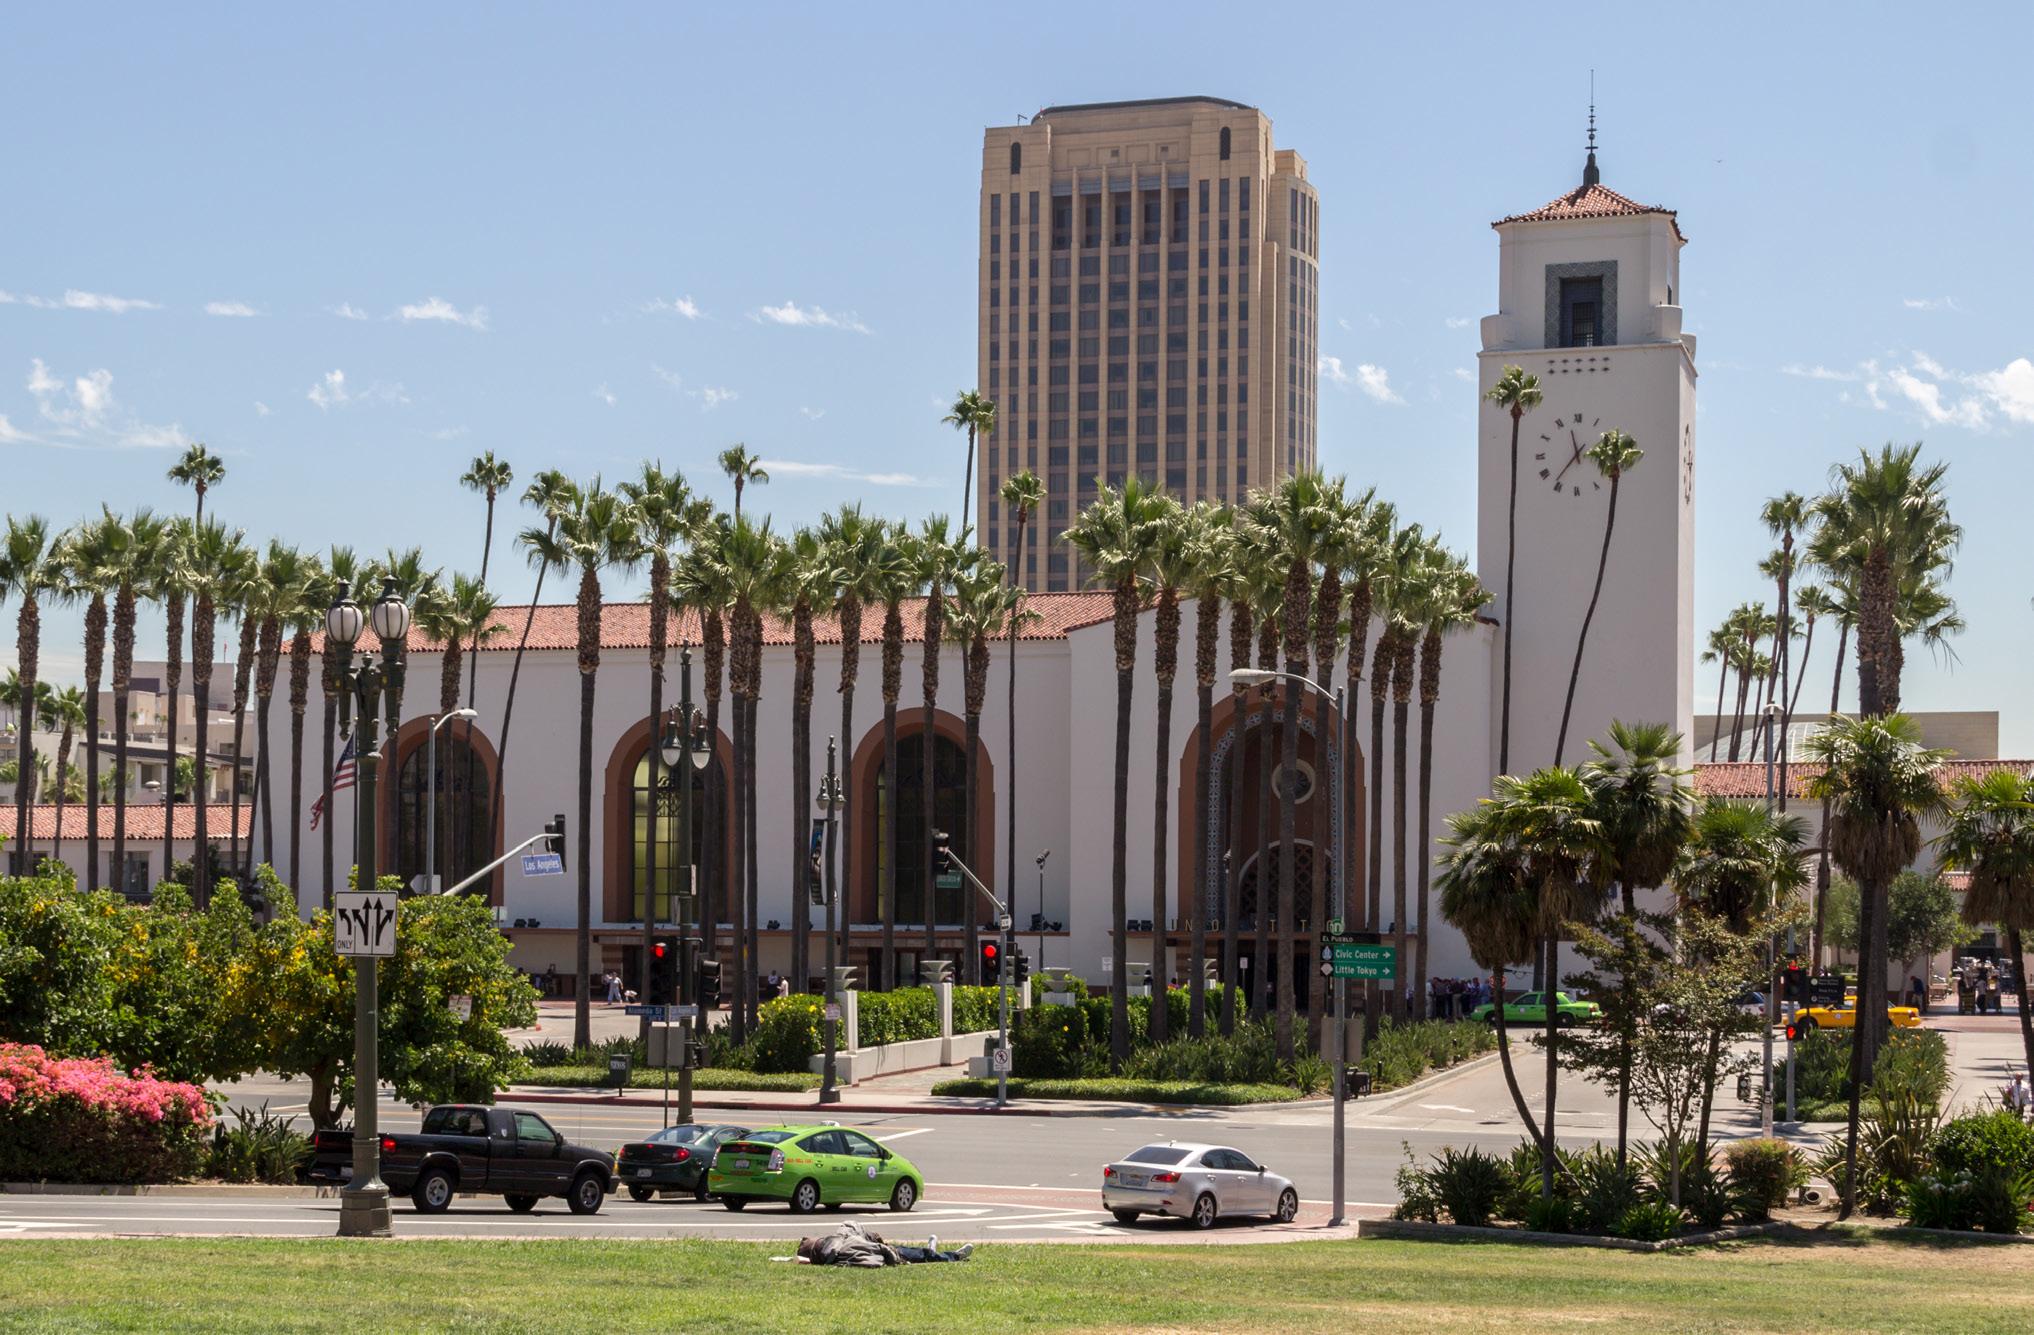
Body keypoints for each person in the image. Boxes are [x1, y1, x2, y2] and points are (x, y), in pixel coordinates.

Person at [794, 1223, 972, 1266]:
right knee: (923, 1255)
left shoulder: (837, 1244)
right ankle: (954, 1256)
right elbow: (878, 1255)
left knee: (920, 1254)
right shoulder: (838, 1244)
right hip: (890, 1252)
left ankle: (933, 1250)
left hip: (885, 1250)